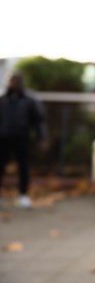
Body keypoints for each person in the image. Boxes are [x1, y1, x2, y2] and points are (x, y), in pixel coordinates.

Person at [0, 72, 48, 209]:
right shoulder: (3, 99)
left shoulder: (29, 100)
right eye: (11, 80)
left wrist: (42, 137)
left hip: (22, 138)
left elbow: (39, 121)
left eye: (16, 80)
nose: (13, 83)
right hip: (3, 138)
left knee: (23, 167)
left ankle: (23, 195)